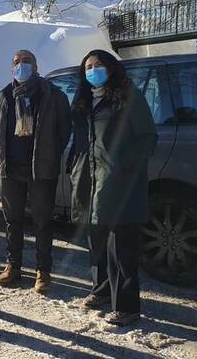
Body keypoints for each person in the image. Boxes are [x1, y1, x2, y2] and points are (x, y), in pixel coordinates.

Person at [69, 49, 157, 326]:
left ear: (110, 67)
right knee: (97, 244)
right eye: (88, 67)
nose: (93, 70)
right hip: (89, 182)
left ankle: (127, 306)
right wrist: (75, 166)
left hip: (119, 185)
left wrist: (123, 166)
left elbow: (147, 138)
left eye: (98, 65)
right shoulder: (83, 102)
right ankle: (102, 291)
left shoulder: (129, 97)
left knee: (121, 249)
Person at [0, 50, 71, 293]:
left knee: (42, 222)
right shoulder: (4, 95)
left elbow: (63, 131)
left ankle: (42, 270)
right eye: (17, 62)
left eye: (27, 62)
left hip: (41, 169)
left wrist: (50, 154)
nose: (21, 66)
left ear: (36, 67)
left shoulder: (52, 95)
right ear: (11, 68)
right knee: (12, 221)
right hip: (11, 169)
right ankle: (13, 266)